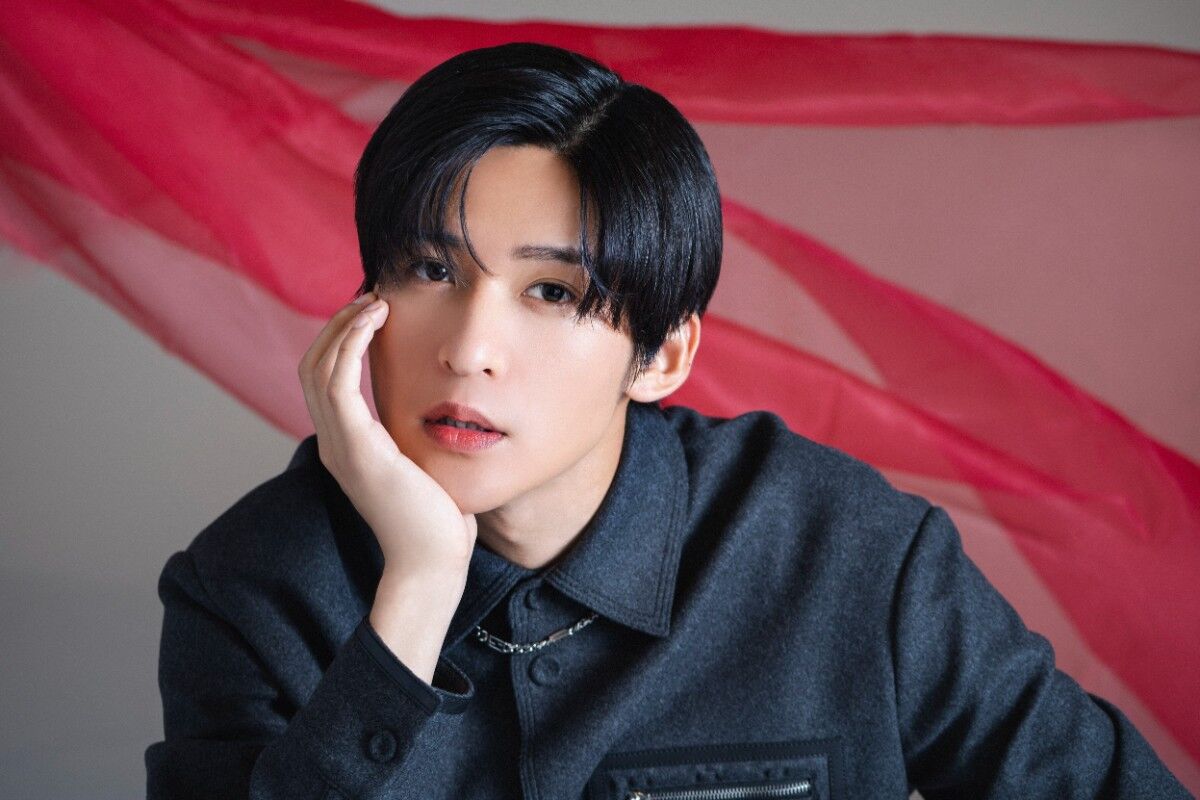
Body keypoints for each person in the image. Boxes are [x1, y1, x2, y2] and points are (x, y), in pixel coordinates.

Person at [144, 42, 1191, 799]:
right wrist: (414, 592)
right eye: (429, 269)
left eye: (551, 292)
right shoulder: (247, 587)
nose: (468, 347)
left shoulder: (849, 552)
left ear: (663, 356)